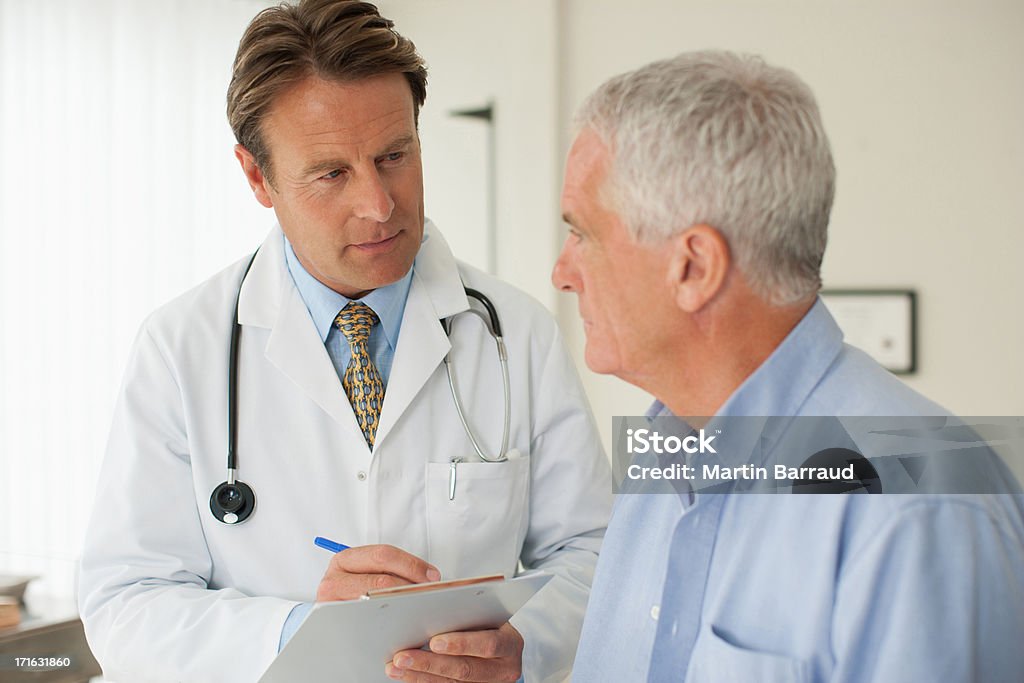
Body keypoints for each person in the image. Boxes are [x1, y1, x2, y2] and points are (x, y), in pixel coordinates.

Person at [78, 2, 611, 681]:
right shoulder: (182, 349)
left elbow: (594, 555)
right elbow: (124, 602)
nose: (380, 204)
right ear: (256, 176)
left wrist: (524, 645)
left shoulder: (517, 332)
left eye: (395, 156)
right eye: (332, 173)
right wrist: (300, 630)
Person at [552, 50, 1024, 681]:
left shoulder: (926, 513)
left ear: (693, 267)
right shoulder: (663, 453)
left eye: (582, 234)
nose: (562, 272)